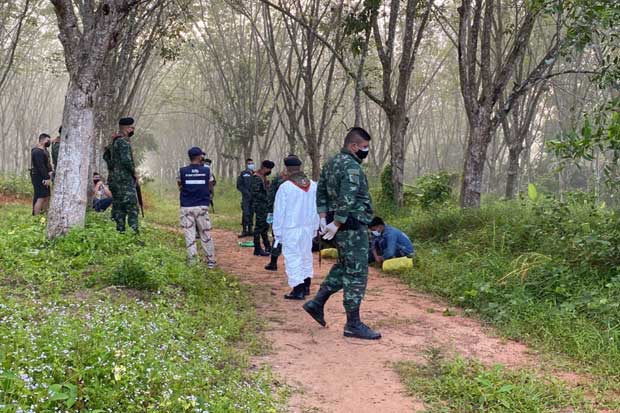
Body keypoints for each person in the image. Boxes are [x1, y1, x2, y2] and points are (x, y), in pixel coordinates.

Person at [303, 127, 381, 340]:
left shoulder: (331, 164)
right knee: (357, 272)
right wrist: (337, 222)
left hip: (336, 226)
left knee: (345, 265)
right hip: (351, 226)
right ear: (353, 146)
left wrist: (323, 220)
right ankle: (353, 323)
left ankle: (316, 303)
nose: (366, 151)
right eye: (364, 147)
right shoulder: (352, 167)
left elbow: (320, 194)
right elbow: (348, 197)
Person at [272, 155, 319, 299]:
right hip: (308, 228)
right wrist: (315, 227)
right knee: (306, 256)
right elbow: (317, 208)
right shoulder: (312, 185)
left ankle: (297, 289)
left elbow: (279, 211)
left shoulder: (285, 187)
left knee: (293, 257)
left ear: (287, 169)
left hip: (290, 228)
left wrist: (277, 232)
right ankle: (306, 286)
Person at [178, 147, 217, 268]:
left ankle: (193, 262)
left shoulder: (181, 171)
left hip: (186, 207)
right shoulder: (207, 170)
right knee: (205, 233)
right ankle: (211, 261)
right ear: (200, 157)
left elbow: (180, 186)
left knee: (190, 235)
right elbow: (210, 186)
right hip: (202, 206)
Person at [103, 117, 139, 233]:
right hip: (124, 180)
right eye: (132, 127)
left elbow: (106, 157)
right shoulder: (123, 141)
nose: (133, 129)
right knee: (132, 206)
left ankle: (120, 232)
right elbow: (126, 161)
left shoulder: (113, 141)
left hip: (114, 180)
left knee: (118, 206)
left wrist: (112, 168)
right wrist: (134, 173)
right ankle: (134, 233)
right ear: (127, 128)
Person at [264, 165, 289, 271]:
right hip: (296, 216)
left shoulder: (279, 179)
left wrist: (270, 211)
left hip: (280, 213)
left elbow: (271, 195)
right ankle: (274, 262)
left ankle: (273, 262)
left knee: (277, 238)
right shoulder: (303, 180)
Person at [251, 160, 275, 256]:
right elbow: (256, 193)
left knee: (265, 227)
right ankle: (257, 248)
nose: (270, 171)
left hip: (265, 205)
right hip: (260, 205)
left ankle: (267, 246)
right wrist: (267, 197)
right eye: (269, 169)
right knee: (259, 227)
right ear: (265, 168)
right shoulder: (256, 177)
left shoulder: (263, 177)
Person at [30, 133, 53, 215]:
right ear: (42, 140)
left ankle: (45, 215)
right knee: (40, 197)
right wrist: (46, 178)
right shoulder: (37, 151)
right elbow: (40, 166)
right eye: (48, 140)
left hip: (45, 176)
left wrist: (50, 172)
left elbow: (47, 163)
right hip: (38, 177)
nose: (49, 142)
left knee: (47, 196)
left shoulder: (45, 151)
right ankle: (35, 216)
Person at [236, 158, 255, 237]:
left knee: (251, 213)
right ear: (247, 165)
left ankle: (250, 230)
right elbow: (239, 185)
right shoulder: (243, 174)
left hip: (254, 198)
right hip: (246, 198)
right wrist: (246, 192)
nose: (251, 165)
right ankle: (244, 230)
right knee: (246, 213)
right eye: (249, 163)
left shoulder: (255, 174)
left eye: (252, 163)